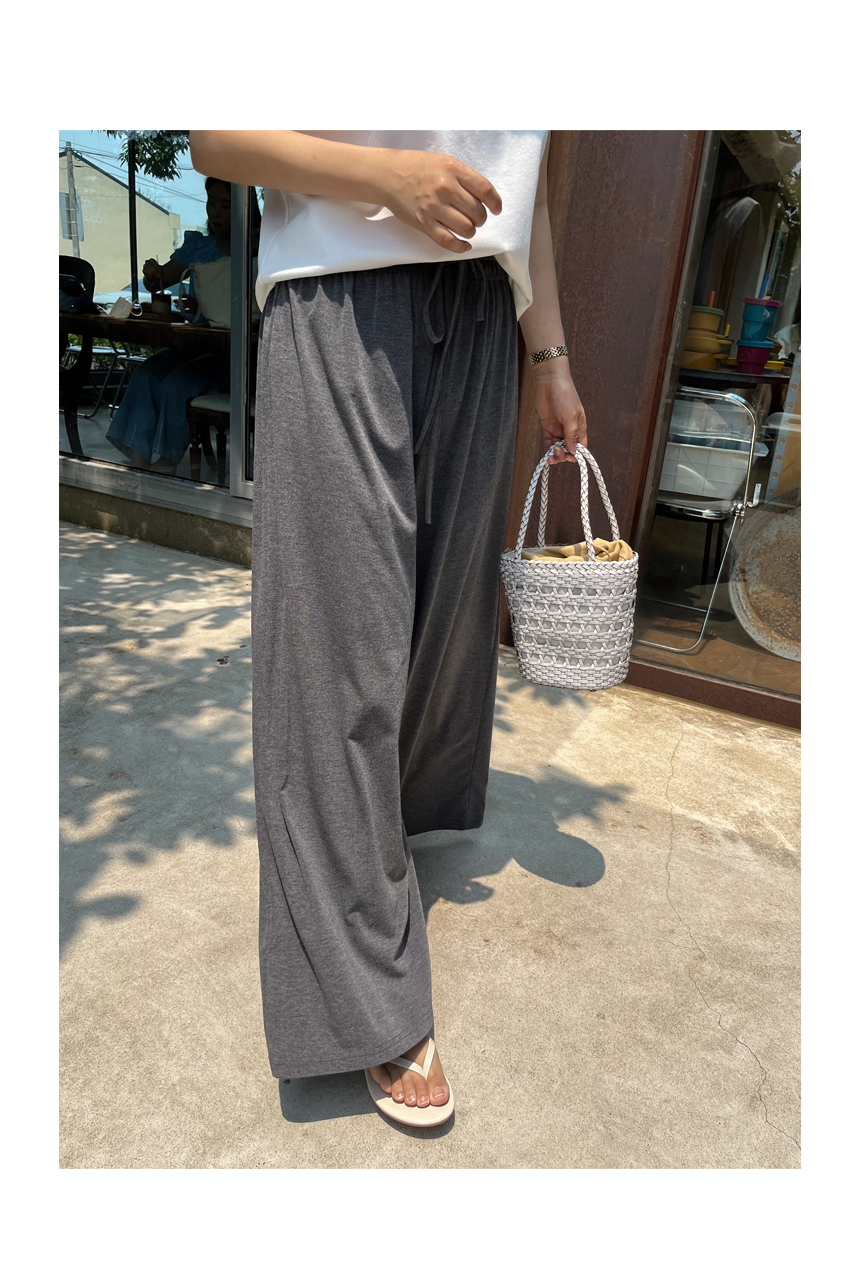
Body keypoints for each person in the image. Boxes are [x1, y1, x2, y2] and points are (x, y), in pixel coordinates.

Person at [189, 130, 587, 1127]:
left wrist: (550, 356)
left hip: (483, 311)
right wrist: (385, 177)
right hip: (341, 289)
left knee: (441, 625)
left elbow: (529, 191)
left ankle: (385, 829)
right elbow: (213, 136)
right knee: (336, 656)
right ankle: (363, 995)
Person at [105, 177, 235, 474]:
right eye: (211, 203)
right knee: (145, 374)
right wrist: (152, 275)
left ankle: (166, 466)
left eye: (226, 205)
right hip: (198, 344)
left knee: (178, 383)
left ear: (244, 210)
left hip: (234, 352)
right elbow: (160, 281)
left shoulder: (257, 250)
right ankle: (138, 464)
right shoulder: (198, 247)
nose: (216, 212)